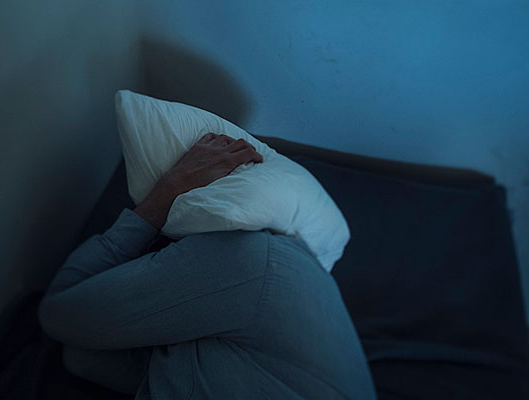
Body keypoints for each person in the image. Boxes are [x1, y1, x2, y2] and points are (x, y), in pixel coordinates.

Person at [38, 132, 377, 399]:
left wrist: (161, 198)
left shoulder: (245, 258)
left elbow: (59, 313)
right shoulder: (302, 271)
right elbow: (83, 353)